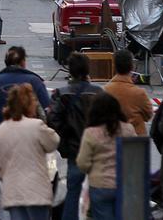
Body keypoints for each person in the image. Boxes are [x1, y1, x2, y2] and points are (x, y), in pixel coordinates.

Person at [46, 53, 103, 220]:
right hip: (96, 151)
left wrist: (63, 141)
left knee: (72, 192)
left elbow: (53, 119)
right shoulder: (98, 93)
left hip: (73, 150)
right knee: (98, 194)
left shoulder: (62, 94)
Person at [0, 84, 59, 220]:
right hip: (36, 190)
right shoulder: (37, 126)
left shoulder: (2, 129)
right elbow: (53, 142)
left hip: (13, 190)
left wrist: (5, 175)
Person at [76, 92, 135, 220]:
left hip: (100, 184)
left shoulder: (90, 132)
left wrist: (92, 170)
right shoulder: (128, 129)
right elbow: (135, 156)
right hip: (124, 184)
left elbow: (82, 162)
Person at [0, 46, 49, 134]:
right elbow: (46, 112)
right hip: (31, 137)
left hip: (3, 136)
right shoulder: (35, 82)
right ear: (23, 62)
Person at [102, 50, 153, 136]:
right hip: (136, 140)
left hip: (112, 139)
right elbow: (148, 115)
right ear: (132, 67)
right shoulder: (139, 93)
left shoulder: (105, 91)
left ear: (114, 66)